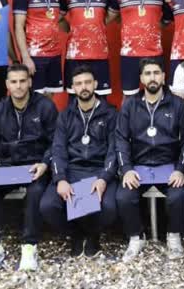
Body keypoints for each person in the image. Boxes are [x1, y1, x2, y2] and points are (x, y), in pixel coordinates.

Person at [0, 64, 57, 271]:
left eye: (22, 81)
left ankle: (29, 246)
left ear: (29, 82)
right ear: (7, 85)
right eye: (14, 82)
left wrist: (45, 163)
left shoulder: (45, 106)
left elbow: (56, 142)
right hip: (8, 165)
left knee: (35, 192)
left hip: (35, 165)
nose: (18, 86)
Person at [39, 65, 118, 258]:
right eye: (79, 83)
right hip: (72, 169)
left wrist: (104, 178)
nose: (84, 87)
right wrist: (60, 179)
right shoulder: (65, 115)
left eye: (88, 82)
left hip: (99, 170)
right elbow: (58, 149)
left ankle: (92, 234)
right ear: (73, 87)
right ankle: (75, 233)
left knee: (109, 208)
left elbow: (114, 150)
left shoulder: (111, 114)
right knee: (48, 206)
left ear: (95, 84)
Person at [115, 59, 184, 262]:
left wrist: (181, 169)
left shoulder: (178, 105)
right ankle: (136, 237)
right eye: (147, 73)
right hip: (139, 166)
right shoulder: (130, 105)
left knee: (177, 196)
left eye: (156, 73)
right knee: (124, 197)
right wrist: (127, 169)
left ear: (164, 77)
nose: (152, 77)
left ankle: (173, 236)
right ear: (141, 78)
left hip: (169, 165)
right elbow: (121, 140)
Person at [111, 0, 172, 97]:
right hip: (129, 55)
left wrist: (152, 28)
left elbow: (167, 20)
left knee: (157, 95)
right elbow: (111, 17)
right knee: (128, 97)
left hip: (154, 54)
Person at [59, 0, 118, 97]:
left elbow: (110, 16)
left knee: (101, 98)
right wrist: (71, 29)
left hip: (99, 55)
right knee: (74, 98)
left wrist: (98, 25)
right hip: (75, 57)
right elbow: (58, 18)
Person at [13, 0, 64, 97]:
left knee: (50, 96)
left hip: (54, 55)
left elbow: (55, 19)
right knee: (34, 99)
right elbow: (18, 27)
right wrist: (25, 57)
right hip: (35, 56)